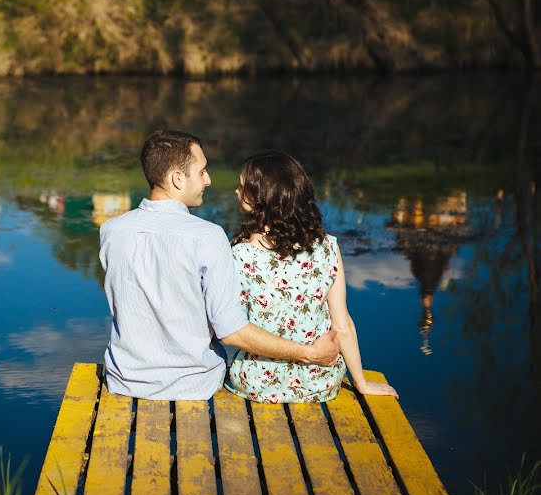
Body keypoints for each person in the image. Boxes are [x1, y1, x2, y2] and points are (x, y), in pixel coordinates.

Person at [99, 131, 340, 401]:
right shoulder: (208, 236)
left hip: (125, 381)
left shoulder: (111, 230)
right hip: (194, 385)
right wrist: (310, 353)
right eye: (201, 171)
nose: (208, 180)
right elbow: (231, 331)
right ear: (177, 179)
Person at [225, 150, 398, 403]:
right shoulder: (326, 247)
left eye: (242, 188)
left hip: (257, 384)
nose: (236, 192)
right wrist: (360, 381)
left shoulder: (238, 255)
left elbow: (235, 328)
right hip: (319, 382)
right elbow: (342, 325)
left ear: (259, 199)